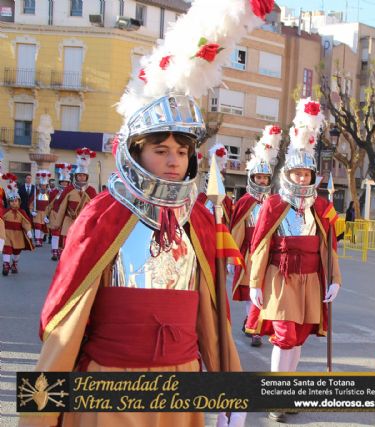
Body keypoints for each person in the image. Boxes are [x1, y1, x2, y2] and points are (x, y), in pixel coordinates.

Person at [19, 94, 243, 427]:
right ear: (136, 153)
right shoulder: (102, 215)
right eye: (161, 151)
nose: (174, 162)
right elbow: (68, 322)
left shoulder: (198, 221)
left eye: (182, 152)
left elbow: (210, 318)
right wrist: (43, 410)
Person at [245, 98, 341, 423]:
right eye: (297, 173)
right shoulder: (273, 205)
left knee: (298, 339)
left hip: (310, 279)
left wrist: (335, 279)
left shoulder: (320, 208)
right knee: (284, 337)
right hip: (281, 277)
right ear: (287, 173)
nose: (302, 179)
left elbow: (329, 248)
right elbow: (259, 246)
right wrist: (255, 282)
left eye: (306, 173)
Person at [229, 125, 281, 348]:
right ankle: (253, 325)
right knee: (253, 289)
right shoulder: (244, 203)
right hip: (249, 252)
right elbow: (237, 231)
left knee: (265, 288)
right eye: (258, 177)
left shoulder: (276, 201)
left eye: (264, 177)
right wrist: (232, 257)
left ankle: (255, 325)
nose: (261, 181)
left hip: (269, 253)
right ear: (252, 177)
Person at [49, 149, 98, 256]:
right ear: (76, 176)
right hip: (68, 222)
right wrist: (57, 223)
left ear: (87, 176)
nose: (81, 177)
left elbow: (95, 209)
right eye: (79, 175)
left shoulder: (91, 190)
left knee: (79, 249)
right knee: (66, 247)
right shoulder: (69, 189)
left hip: (83, 223)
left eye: (83, 175)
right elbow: (62, 207)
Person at [2, 174, 33, 276]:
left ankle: (14, 263)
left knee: (16, 251)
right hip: (7, 234)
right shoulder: (5, 212)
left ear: (19, 202)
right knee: (7, 249)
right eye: (12, 201)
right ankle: (6, 264)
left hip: (18, 235)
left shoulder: (22, 212)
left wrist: (28, 231)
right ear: (9, 202)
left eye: (16, 201)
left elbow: (26, 222)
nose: (14, 203)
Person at [45, 163, 72, 260]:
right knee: (55, 234)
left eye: (66, 182)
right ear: (60, 182)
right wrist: (46, 215)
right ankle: (54, 251)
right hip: (55, 215)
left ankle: (62, 251)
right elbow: (49, 205)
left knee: (63, 235)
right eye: (63, 182)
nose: (64, 184)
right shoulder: (54, 192)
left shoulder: (71, 192)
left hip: (65, 217)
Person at [29, 170, 52, 247]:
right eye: (42, 185)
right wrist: (32, 211)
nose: (43, 187)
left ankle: (41, 240)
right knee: (38, 226)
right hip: (37, 213)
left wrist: (49, 215)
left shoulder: (49, 194)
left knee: (43, 228)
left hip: (45, 214)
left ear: (46, 186)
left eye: (44, 185)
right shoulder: (36, 193)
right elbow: (31, 204)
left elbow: (51, 205)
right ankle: (37, 240)